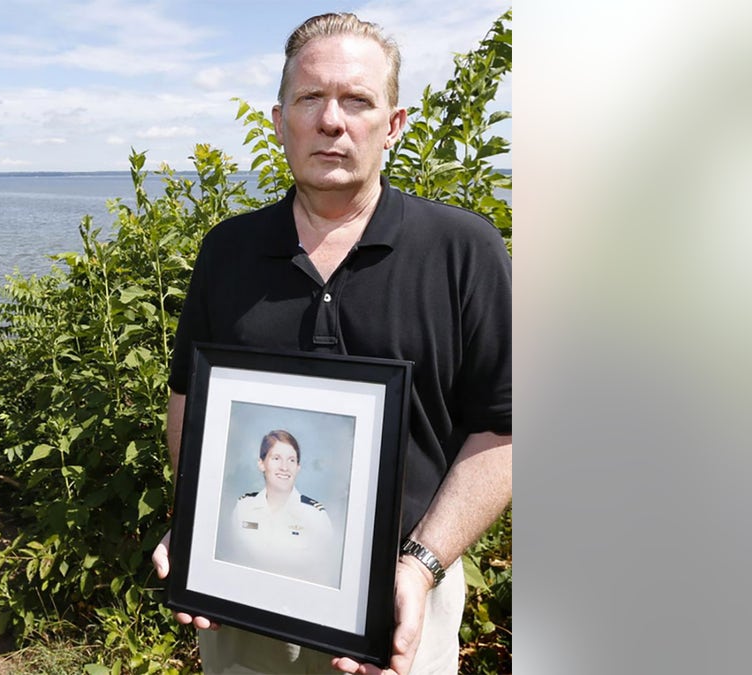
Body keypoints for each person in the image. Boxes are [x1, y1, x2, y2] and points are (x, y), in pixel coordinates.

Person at [150, 12, 512, 675]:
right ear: (279, 118)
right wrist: (199, 517)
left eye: (357, 100)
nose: (331, 120)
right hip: (243, 597)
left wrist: (421, 566)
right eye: (310, 98)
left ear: (393, 123)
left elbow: (505, 433)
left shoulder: (464, 250)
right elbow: (188, 402)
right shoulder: (227, 250)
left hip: (401, 602)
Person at [223, 430, 337, 585]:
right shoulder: (243, 507)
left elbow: (326, 575)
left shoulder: (316, 515)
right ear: (261, 464)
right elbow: (232, 560)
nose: (284, 467)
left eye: (291, 460)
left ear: (298, 467)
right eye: (276, 458)